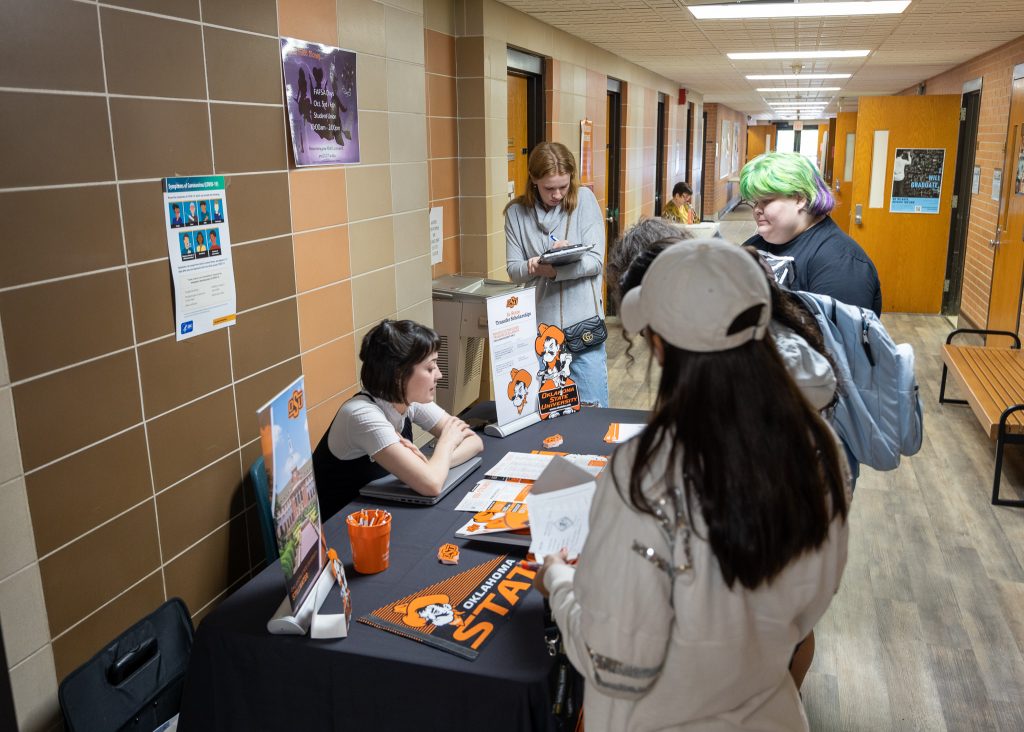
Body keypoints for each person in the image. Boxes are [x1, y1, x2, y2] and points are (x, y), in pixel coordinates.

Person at [534, 240, 850, 732]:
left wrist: (558, 580)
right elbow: (808, 604)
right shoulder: (817, 444)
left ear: (661, 344)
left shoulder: (647, 475)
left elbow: (613, 663)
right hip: (771, 711)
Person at [312, 319, 484, 521]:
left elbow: (474, 442)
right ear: (399, 375)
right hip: (339, 531)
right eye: (430, 368)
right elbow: (431, 484)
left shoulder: (409, 398)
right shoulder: (361, 415)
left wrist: (428, 465)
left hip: (375, 515)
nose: (439, 374)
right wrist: (443, 446)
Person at [505, 142, 608, 406]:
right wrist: (536, 266)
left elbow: (596, 262)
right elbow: (514, 270)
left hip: (583, 326)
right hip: (544, 333)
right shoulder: (516, 213)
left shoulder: (584, 200)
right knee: (552, 415)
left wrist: (558, 269)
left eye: (564, 186)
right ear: (533, 180)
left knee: (593, 409)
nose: (558, 194)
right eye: (549, 188)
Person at [740, 152, 882, 316]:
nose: (757, 209)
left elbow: (836, 339)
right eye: (756, 202)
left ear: (800, 199)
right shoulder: (754, 245)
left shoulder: (842, 263)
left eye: (766, 200)